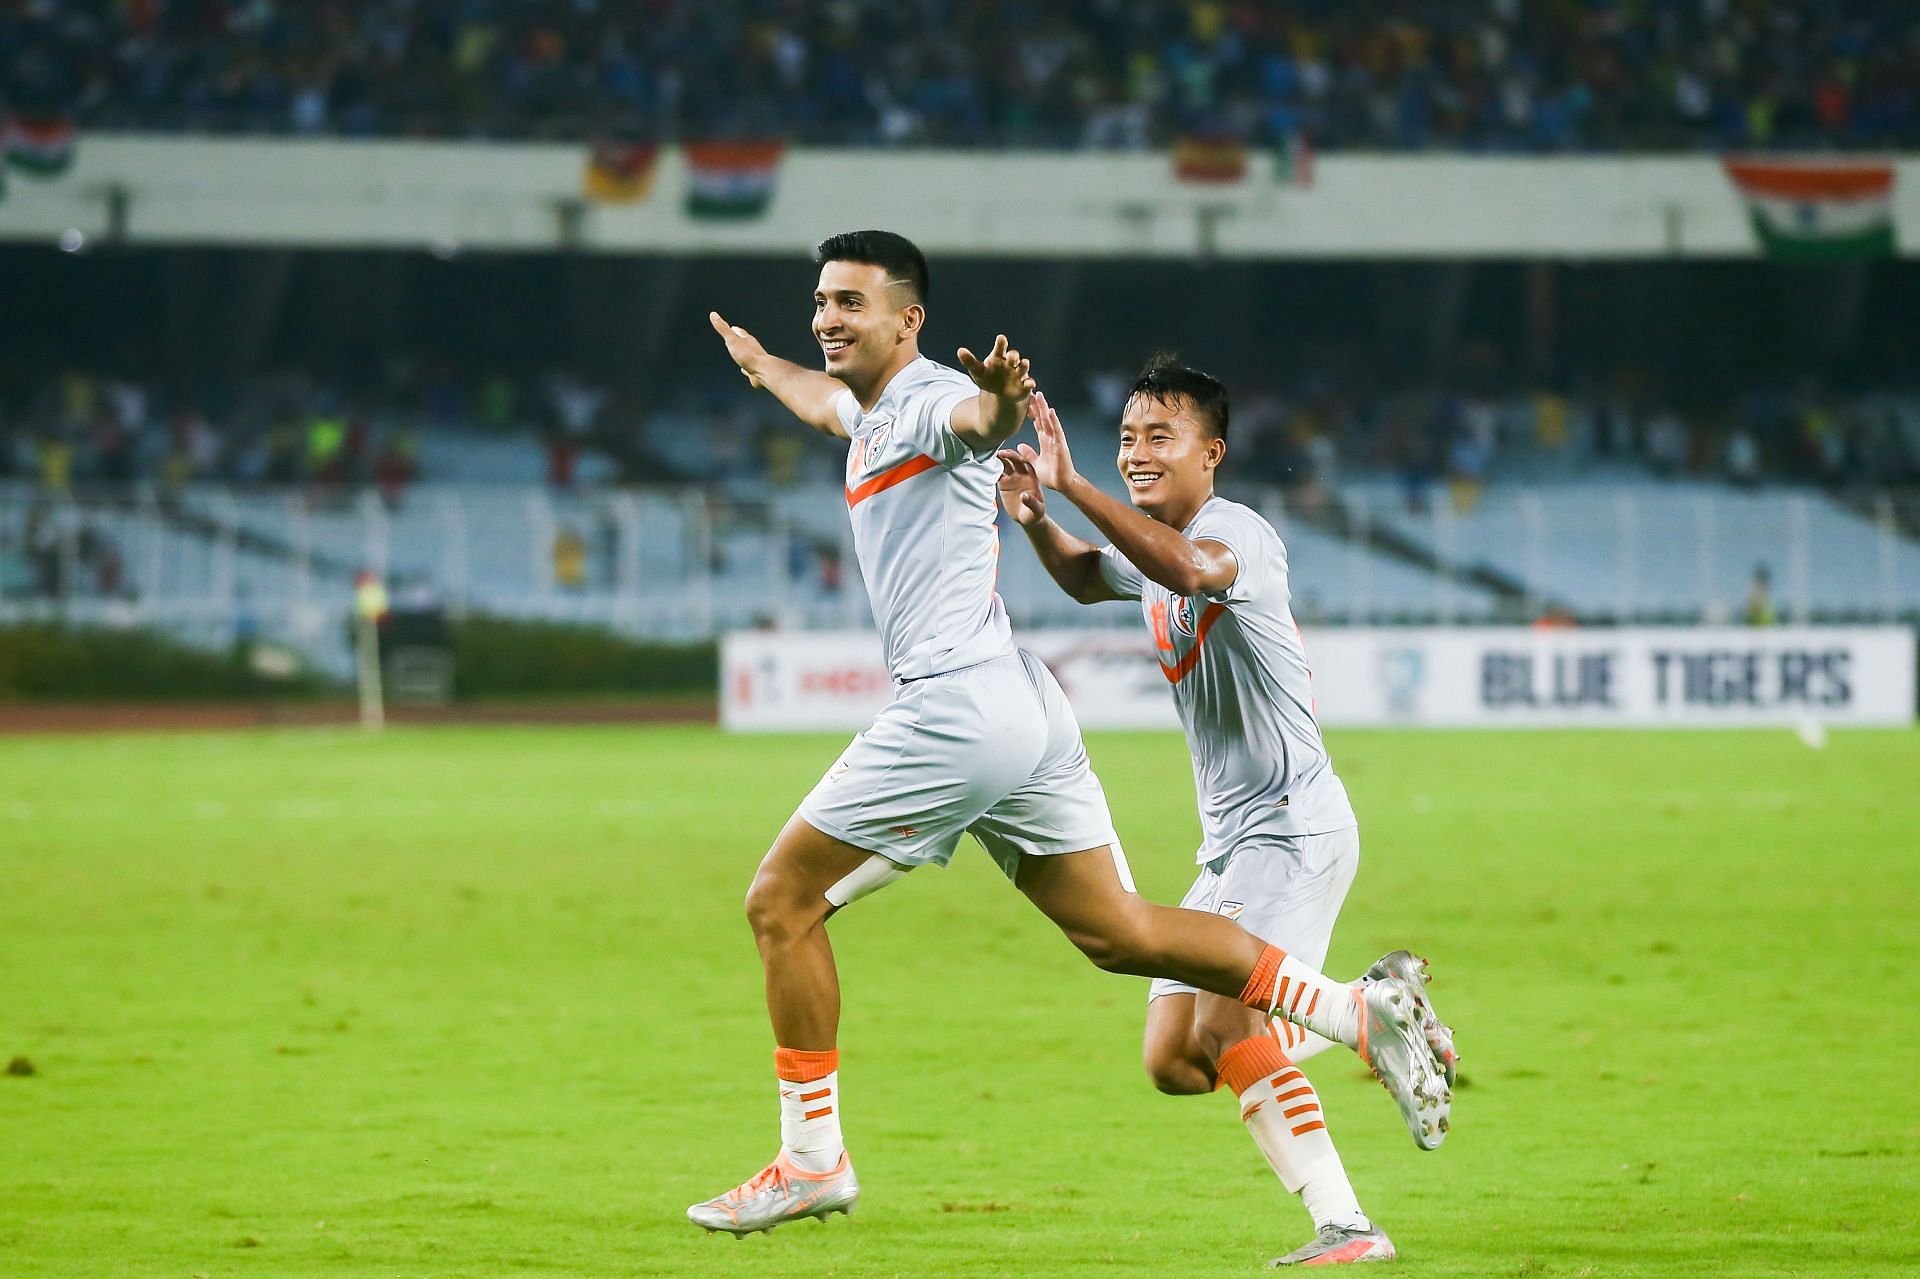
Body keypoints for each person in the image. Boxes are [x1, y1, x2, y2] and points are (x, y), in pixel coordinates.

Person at [691, 230, 1452, 1245]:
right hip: (1023, 707)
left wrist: (1008, 410)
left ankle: (812, 1159)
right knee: (1121, 941)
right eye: (820, 300)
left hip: (963, 709)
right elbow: (821, 401)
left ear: (909, 320)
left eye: (851, 302)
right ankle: (1354, 1015)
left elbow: (977, 419)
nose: (827, 317)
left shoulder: (928, 403)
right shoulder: (868, 415)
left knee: (781, 903)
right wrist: (758, 363)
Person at [995, 361, 1457, 1266]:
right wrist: (1041, 521)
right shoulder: (1153, 543)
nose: (1136, 452)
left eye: (1159, 437)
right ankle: (1367, 1008)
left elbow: (1186, 569)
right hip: (1235, 845)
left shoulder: (1229, 530)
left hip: (1291, 824)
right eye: (1126, 438)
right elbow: (1093, 579)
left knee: (1224, 1027)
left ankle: (1347, 1222)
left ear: (1213, 453)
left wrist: (1076, 483)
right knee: (1175, 1059)